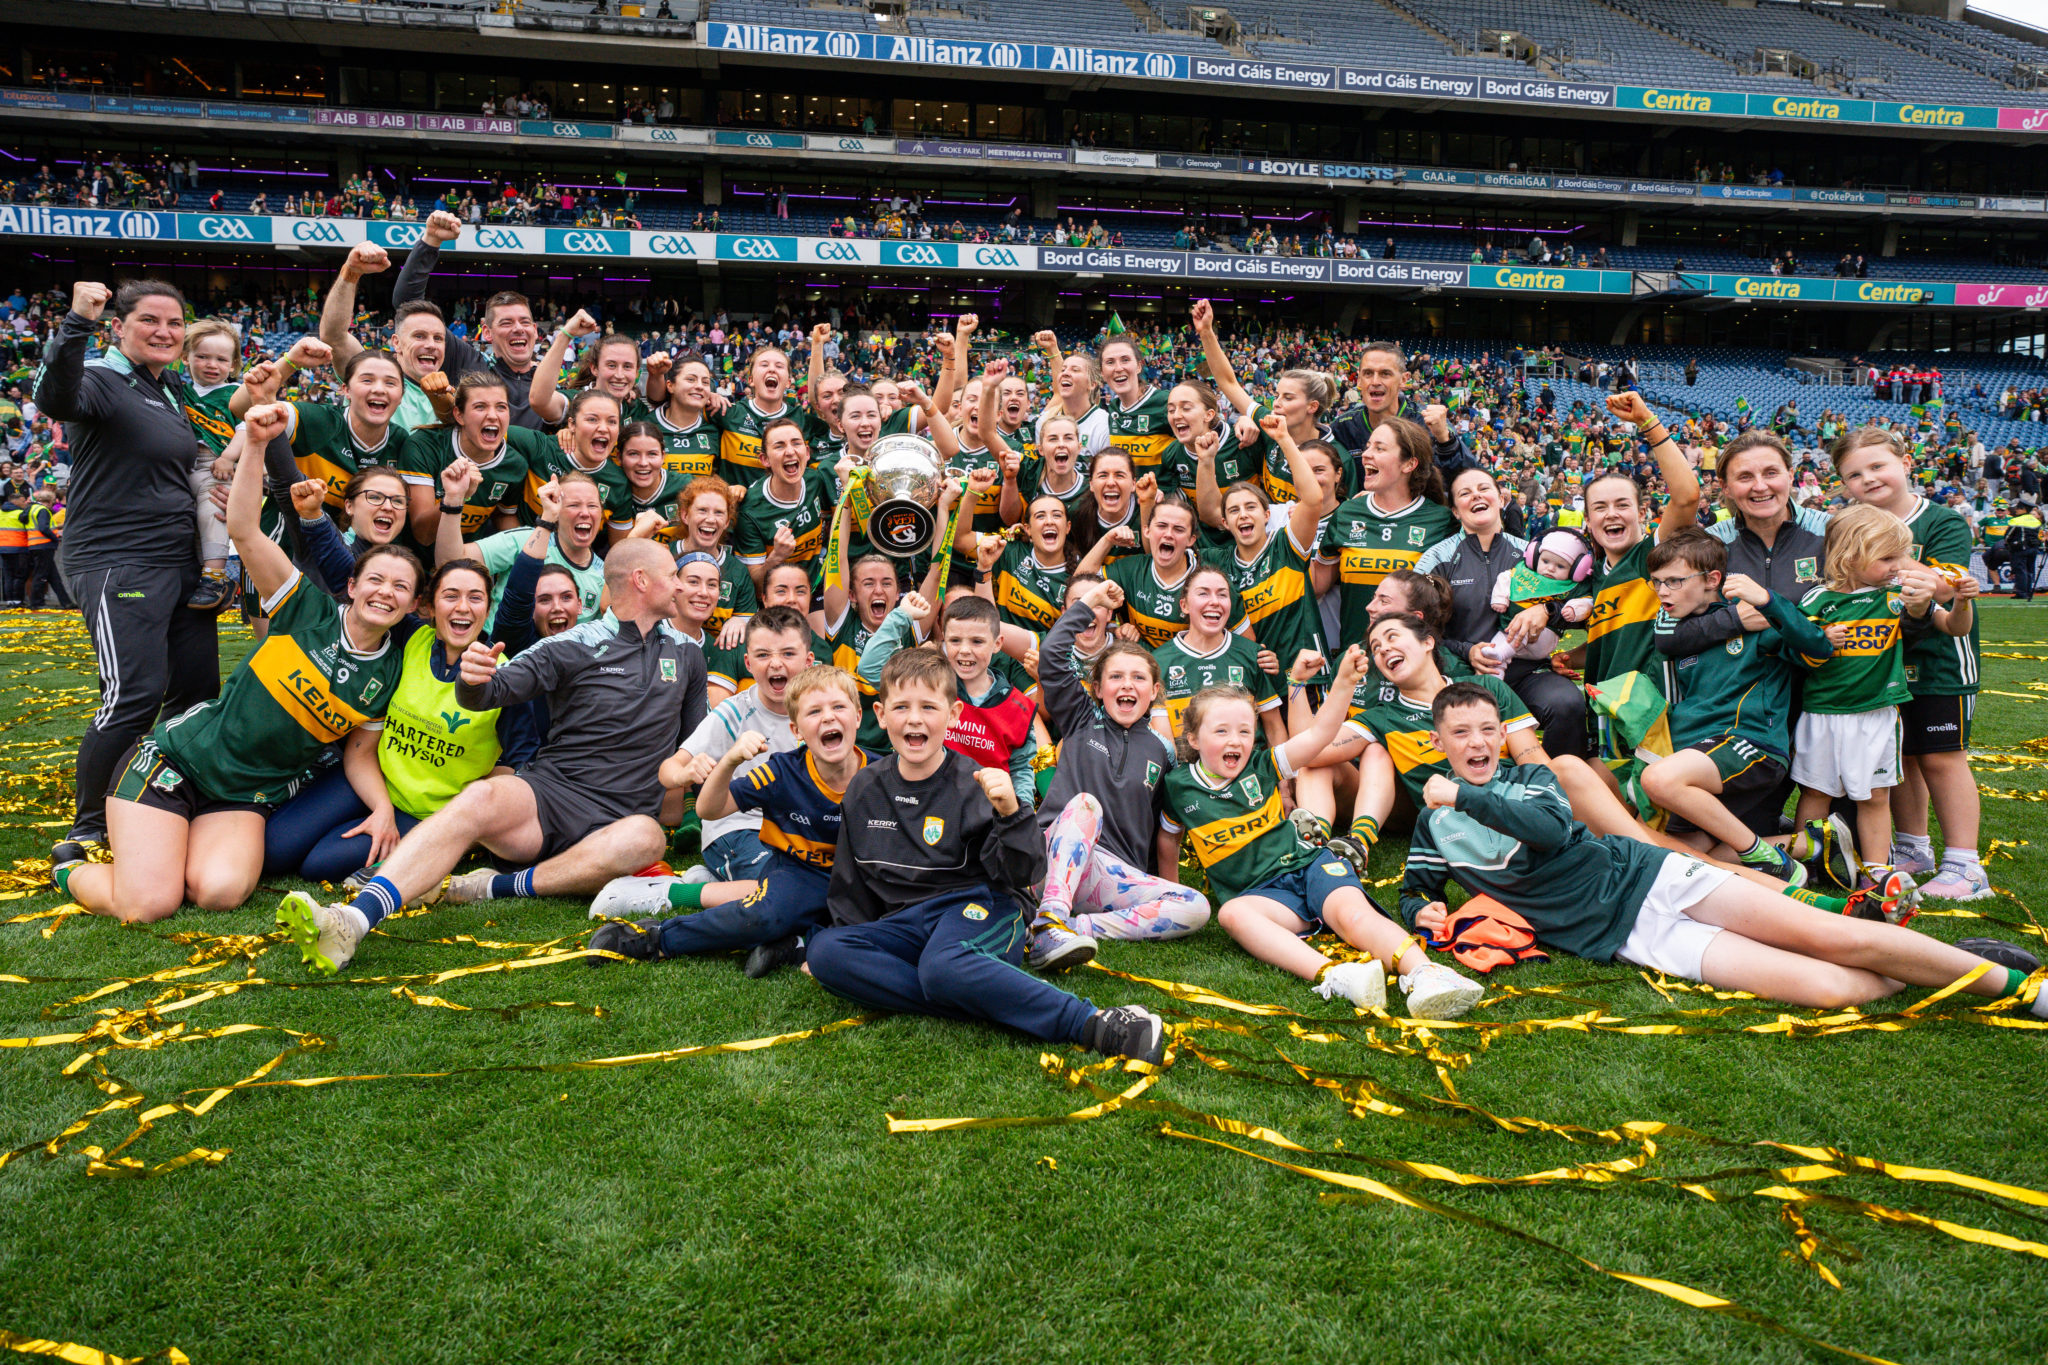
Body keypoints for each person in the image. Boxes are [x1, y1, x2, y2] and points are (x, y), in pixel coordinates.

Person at [1402, 683, 2043, 1013]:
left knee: (1834, 935)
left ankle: (2023, 989)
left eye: (1489, 729)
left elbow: (1542, 831)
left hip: (1654, 879)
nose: (1478, 742)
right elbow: (1417, 886)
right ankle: (1943, 964)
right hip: (1623, 936)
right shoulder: (1435, 825)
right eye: (1462, 733)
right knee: (1828, 987)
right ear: (1440, 743)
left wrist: (1462, 797)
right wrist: (1419, 912)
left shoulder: (1532, 778)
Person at [276, 539, 709, 973]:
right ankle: (351, 920)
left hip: (622, 819)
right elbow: (490, 692)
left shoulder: (688, 653)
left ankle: (493, 887)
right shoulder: (575, 644)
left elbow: (696, 736)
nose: (681, 587)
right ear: (641, 580)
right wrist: (472, 677)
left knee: (647, 837)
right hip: (549, 798)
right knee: (482, 795)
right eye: (673, 576)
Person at [59, 403, 417, 921]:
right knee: (148, 905)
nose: (386, 592)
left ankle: (164, 849)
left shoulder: (388, 672)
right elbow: (245, 529)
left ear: (411, 605)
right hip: (180, 762)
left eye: (401, 587)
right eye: (377, 580)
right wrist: (253, 444)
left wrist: (382, 808)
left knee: (220, 892)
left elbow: (359, 754)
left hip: (250, 792)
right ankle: (69, 870)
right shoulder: (305, 606)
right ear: (353, 585)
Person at [804, 646, 1171, 1066]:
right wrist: (850, 947)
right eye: (901, 707)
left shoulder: (977, 782)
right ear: (881, 714)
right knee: (827, 951)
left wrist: (1011, 813)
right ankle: (975, 997)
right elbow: (850, 883)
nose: (915, 719)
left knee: (943, 966)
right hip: (906, 924)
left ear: (955, 713)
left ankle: (1096, 1022)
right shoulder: (865, 787)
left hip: (980, 907)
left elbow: (1021, 874)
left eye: (928, 706)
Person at [1165, 644, 1485, 1019]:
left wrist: (1345, 683)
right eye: (1221, 731)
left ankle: (1427, 973)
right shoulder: (1177, 786)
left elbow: (1318, 737)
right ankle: (1339, 976)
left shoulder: (1262, 765)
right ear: (1192, 739)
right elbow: (1167, 839)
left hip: (1310, 864)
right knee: (1232, 915)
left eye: (1244, 731)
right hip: (1264, 897)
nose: (1236, 740)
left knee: (1352, 917)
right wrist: (1174, 894)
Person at [263, 466, 538, 882]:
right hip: (368, 780)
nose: (462, 607)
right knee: (274, 850)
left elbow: (517, 766)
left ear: (487, 608)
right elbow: (348, 576)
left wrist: (464, 822)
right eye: (451, 596)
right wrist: (316, 518)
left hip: (427, 811)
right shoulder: (412, 638)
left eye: (475, 598)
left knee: (318, 865)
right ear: (428, 606)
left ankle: (418, 851)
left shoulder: (504, 676)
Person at [35, 280, 222, 864]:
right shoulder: (102, 379)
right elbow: (53, 398)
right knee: (133, 695)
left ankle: (157, 802)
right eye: (150, 321)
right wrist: (75, 321)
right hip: (120, 562)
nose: (165, 332)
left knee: (196, 693)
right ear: (120, 326)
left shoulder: (167, 389)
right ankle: (90, 827)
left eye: (174, 323)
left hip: (180, 565)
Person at [586, 664, 867, 977]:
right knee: (762, 915)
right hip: (801, 874)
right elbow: (708, 809)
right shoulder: (782, 771)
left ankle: (795, 945)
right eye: (814, 711)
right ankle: (657, 938)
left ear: (857, 716)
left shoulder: (880, 775)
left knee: (884, 914)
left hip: (859, 881)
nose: (828, 717)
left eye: (838, 707)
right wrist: (730, 760)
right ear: (796, 731)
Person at [588, 605, 821, 921]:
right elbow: (668, 769)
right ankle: (663, 892)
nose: (776, 663)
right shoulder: (735, 713)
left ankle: (715, 883)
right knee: (778, 888)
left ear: (809, 661)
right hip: (738, 827)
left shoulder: (823, 711)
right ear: (748, 663)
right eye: (764, 655)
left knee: (820, 885)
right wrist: (686, 771)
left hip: (796, 829)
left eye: (788, 653)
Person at [1026, 581, 1209, 971]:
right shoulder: (1079, 718)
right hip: (1052, 858)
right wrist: (1090, 603)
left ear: (1155, 691)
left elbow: (1165, 827)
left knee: (1196, 906)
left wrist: (1167, 881)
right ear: (1097, 688)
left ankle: (1074, 927)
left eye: (1139, 678)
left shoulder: (1162, 751)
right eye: (1116, 677)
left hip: (1108, 878)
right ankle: (1050, 918)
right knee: (1086, 805)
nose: (1127, 684)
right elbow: (1052, 655)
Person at [1792, 504, 1968, 895]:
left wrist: (1961, 601)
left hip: (1875, 716)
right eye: (1888, 557)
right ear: (1850, 555)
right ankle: (1808, 867)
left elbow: (1953, 627)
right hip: (1821, 715)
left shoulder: (1898, 597)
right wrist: (1820, 643)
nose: (1899, 565)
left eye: (1900, 555)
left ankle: (1877, 871)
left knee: (1875, 797)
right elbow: (1794, 653)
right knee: (1815, 794)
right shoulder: (1816, 600)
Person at [1641, 529, 1835, 881]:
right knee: (1670, 855)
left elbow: (1818, 648)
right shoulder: (1685, 634)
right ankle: (1814, 846)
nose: (1662, 591)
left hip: (1749, 746)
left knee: (1658, 779)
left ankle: (1764, 857)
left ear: (1712, 579)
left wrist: (1768, 601)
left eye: (1673, 581)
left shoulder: (1754, 619)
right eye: (1656, 582)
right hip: (1701, 760)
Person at [1416, 465, 1590, 758]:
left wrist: (1548, 611)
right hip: (1461, 673)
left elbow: (1581, 599)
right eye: (1464, 493)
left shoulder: (1532, 553)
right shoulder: (1437, 557)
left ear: (1500, 498)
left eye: (1483, 489)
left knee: (1568, 704)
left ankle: (1558, 788)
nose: (1475, 496)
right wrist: (1467, 651)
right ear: (1455, 511)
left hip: (1526, 672)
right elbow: (1419, 628)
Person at [1314, 415, 1457, 656]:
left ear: (1409, 464)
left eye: (1380, 448)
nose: (1367, 454)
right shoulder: (1347, 512)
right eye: (1368, 446)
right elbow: (1316, 587)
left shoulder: (1440, 521)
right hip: (1356, 661)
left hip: (1413, 660)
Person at [391, 212, 546, 428]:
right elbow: (407, 304)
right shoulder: (471, 363)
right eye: (506, 323)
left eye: (524, 322)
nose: (518, 329)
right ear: (487, 332)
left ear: (536, 330)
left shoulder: (549, 381)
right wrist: (431, 241)